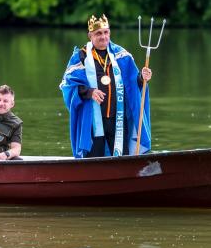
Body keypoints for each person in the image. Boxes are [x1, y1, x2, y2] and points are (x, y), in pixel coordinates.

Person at [59, 14, 152, 158]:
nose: (103, 37)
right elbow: (68, 86)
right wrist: (90, 92)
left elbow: (132, 83)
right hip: (92, 121)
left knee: (123, 158)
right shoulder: (80, 57)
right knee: (93, 160)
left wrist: (142, 77)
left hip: (118, 119)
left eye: (106, 32)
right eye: (98, 33)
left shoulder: (121, 55)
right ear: (90, 35)